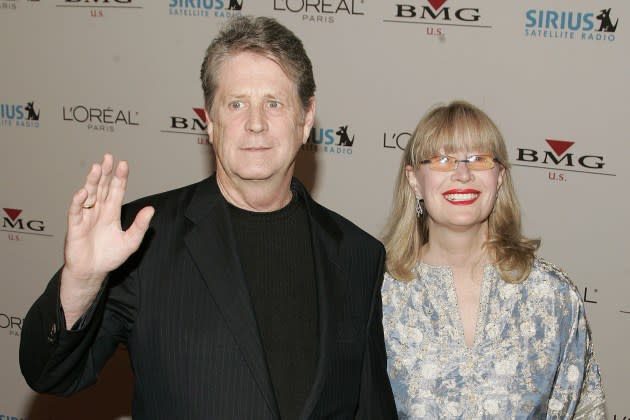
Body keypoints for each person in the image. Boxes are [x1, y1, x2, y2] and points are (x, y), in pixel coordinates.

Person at [19, 16, 396, 419]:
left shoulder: (358, 254)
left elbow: (370, 409)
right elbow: (51, 375)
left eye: (274, 103)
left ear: (305, 118)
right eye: (236, 104)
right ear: (210, 122)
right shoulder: (141, 239)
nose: (255, 123)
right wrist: (81, 283)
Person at [381, 100, 606, 418]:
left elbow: (586, 412)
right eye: (444, 159)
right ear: (414, 180)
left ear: (499, 178)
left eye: (478, 158)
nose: (463, 174)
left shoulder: (552, 296)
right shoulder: (378, 294)